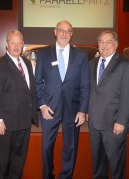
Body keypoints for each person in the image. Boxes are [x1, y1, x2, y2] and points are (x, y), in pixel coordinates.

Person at [35, 20, 90, 179]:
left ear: (72, 34)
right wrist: (42, 105)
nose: (64, 34)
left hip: (73, 109)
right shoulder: (44, 54)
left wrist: (82, 109)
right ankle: (47, 175)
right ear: (55, 32)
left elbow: (85, 84)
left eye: (68, 31)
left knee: (70, 148)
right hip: (49, 108)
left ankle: (66, 176)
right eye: (61, 30)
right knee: (46, 147)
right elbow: (38, 81)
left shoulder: (81, 55)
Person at [0, 30, 39, 178]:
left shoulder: (27, 63)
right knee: (4, 161)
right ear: (6, 45)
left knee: (19, 160)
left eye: (19, 43)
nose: (16, 46)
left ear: (23, 45)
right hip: (5, 124)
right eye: (13, 43)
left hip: (24, 121)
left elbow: (30, 90)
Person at [87, 30, 129, 179]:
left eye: (108, 41)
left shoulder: (126, 65)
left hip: (114, 125)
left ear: (116, 44)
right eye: (101, 42)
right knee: (98, 167)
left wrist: (121, 121)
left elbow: (128, 96)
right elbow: (90, 90)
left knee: (116, 168)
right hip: (94, 124)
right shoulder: (92, 63)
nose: (104, 45)